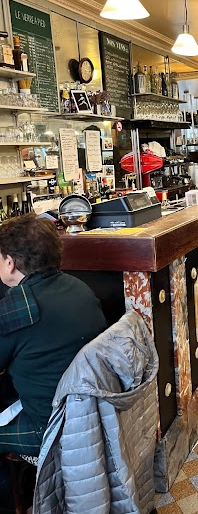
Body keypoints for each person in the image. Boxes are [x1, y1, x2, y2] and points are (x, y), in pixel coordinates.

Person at [0, 214, 107, 507]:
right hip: (89, 416)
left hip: (48, 429)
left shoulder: (15, 309)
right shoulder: (78, 287)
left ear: (10, 262)